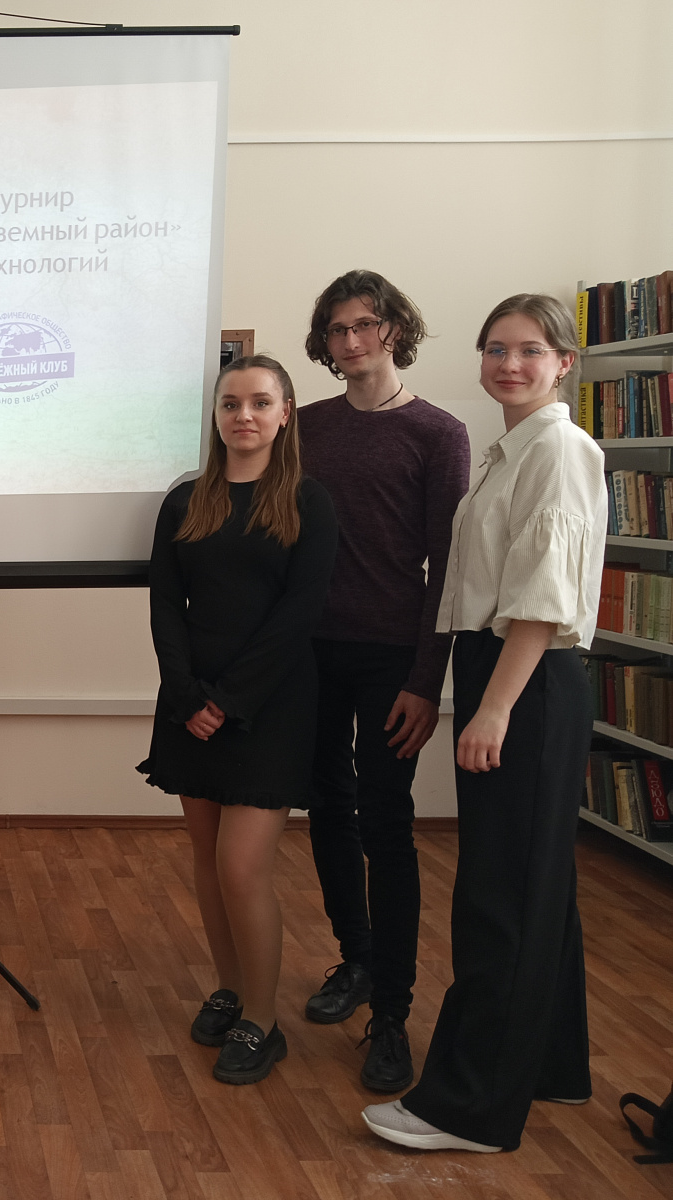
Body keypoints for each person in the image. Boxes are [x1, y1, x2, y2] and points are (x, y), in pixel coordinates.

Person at [365, 294, 605, 1153]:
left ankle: (468, 1109)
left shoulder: (558, 450)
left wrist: (495, 708)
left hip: (524, 678)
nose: (510, 364)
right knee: (539, 887)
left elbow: (541, 599)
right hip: (509, 672)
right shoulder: (515, 450)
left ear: (564, 362)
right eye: (496, 348)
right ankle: (548, 1066)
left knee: (499, 897)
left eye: (531, 350)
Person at [139, 355, 338, 1085]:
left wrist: (228, 701)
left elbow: (299, 615)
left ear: (285, 413)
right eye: (230, 403)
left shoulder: (309, 502)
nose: (243, 415)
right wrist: (187, 696)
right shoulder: (184, 502)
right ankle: (229, 990)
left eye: (259, 402)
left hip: (269, 706)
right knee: (207, 862)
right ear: (217, 416)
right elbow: (166, 606)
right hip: (188, 705)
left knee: (241, 867)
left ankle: (262, 1021)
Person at [297, 271, 471, 1093]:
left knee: (386, 823)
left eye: (366, 325)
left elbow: (448, 566)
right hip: (311, 654)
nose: (352, 341)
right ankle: (356, 960)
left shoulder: (439, 433)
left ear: (396, 329)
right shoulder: (306, 426)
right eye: (338, 330)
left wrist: (425, 680)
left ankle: (393, 1015)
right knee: (326, 808)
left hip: (391, 658)